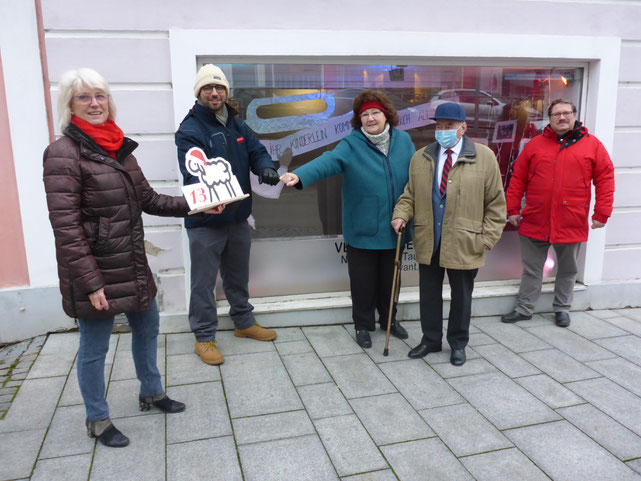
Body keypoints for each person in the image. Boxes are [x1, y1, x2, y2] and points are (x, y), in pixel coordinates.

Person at [43, 68, 224, 448]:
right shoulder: (62, 154)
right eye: (84, 97)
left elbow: (149, 200)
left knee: (148, 329)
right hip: (95, 271)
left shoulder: (118, 147)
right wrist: (90, 284)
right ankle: (97, 418)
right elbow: (67, 229)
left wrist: (201, 203)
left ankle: (152, 392)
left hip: (133, 263)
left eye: (100, 96)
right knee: (95, 348)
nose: (95, 104)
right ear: (69, 105)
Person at [281, 90, 416, 348]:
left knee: (392, 281)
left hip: (396, 226)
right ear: (358, 120)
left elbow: (416, 174)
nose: (370, 118)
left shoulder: (404, 141)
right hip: (363, 228)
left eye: (375, 112)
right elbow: (328, 161)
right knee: (363, 283)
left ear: (386, 114)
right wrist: (299, 175)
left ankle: (389, 321)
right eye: (364, 114)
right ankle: (363, 325)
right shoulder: (351, 144)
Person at [176, 64, 280, 366]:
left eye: (219, 87)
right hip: (205, 221)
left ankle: (243, 322)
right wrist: (210, 199)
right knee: (203, 282)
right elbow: (192, 171)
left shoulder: (236, 124)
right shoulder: (190, 129)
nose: (214, 92)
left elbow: (256, 150)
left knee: (237, 276)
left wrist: (265, 167)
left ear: (226, 92)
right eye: (208, 88)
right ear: (199, 93)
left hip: (237, 217)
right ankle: (204, 336)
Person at [391, 102, 506, 366]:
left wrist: (487, 238)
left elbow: (496, 203)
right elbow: (410, 195)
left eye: (449, 126)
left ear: (463, 128)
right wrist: (401, 214)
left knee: (461, 297)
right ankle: (430, 340)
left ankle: (458, 344)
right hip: (429, 238)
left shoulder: (484, 157)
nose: (443, 130)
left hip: (466, 240)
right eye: (439, 126)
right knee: (429, 294)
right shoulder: (421, 157)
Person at [501, 99, 615, 327]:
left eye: (566, 113)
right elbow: (517, 179)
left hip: (571, 220)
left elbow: (605, 178)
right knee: (532, 269)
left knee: (568, 269)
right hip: (535, 218)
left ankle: (562, 309)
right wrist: (512, 208)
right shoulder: (535, 145)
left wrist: (601, 213)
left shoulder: (592, 145)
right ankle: (524, 309)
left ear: (574, 115)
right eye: (556, 114)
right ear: (550, 118)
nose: (561, 118)